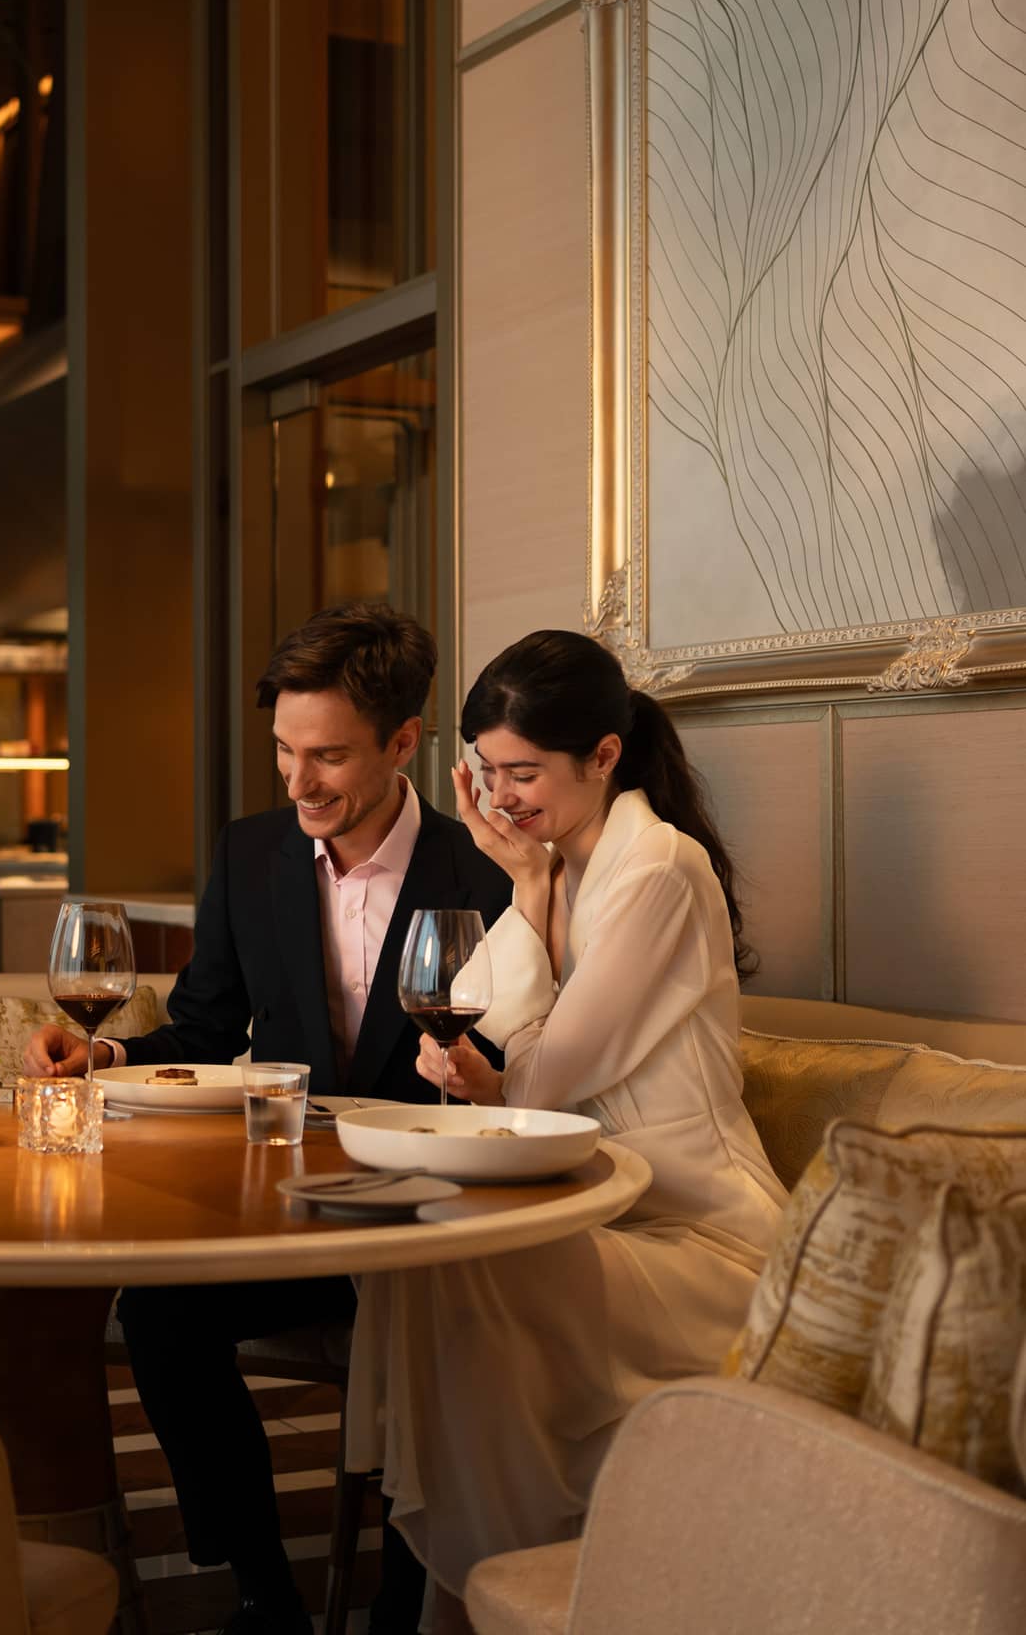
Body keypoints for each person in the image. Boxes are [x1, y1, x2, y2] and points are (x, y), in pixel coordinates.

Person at [24, 602, 512, 1634]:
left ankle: (406, 1602)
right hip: (295, 1213)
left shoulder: (486, 875)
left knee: (431, 1339)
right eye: (284, 753)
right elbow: (203, 1027)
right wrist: (103, 1054)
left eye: (327, 757)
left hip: (431, 1217)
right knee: (158, 1314)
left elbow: (520, 1061)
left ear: (403, 744)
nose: (297, 785)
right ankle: (260, 1583)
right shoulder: (253, 857)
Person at [345, 629, 788, 1629]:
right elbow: (470, 1019)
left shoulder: (656, 871)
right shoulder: (565, 868)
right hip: (598, 1209)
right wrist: (530, 895)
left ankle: (479, 1594)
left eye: (525, 772)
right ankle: (472, 1590)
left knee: (466, 1265)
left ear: (603, 756)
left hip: (700, 1236)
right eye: (488, 773)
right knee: (428, 1255)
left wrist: (494, 1062)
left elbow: (544, 1074)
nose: (503, 800)